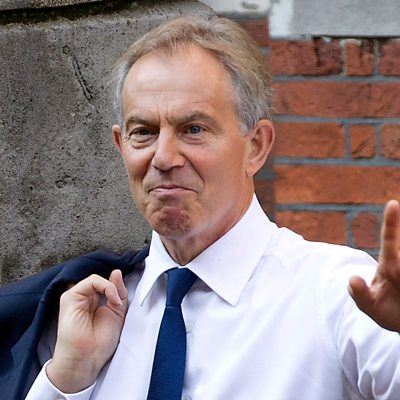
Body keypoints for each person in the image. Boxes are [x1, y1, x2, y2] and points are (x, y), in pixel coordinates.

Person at [1, 15, 399, 400]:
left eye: (193, 129)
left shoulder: (337, 295)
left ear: (256, 146)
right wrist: (66, 382)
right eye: (144, 132)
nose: (163, 157)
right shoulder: (80, 320)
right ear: (121, 146)